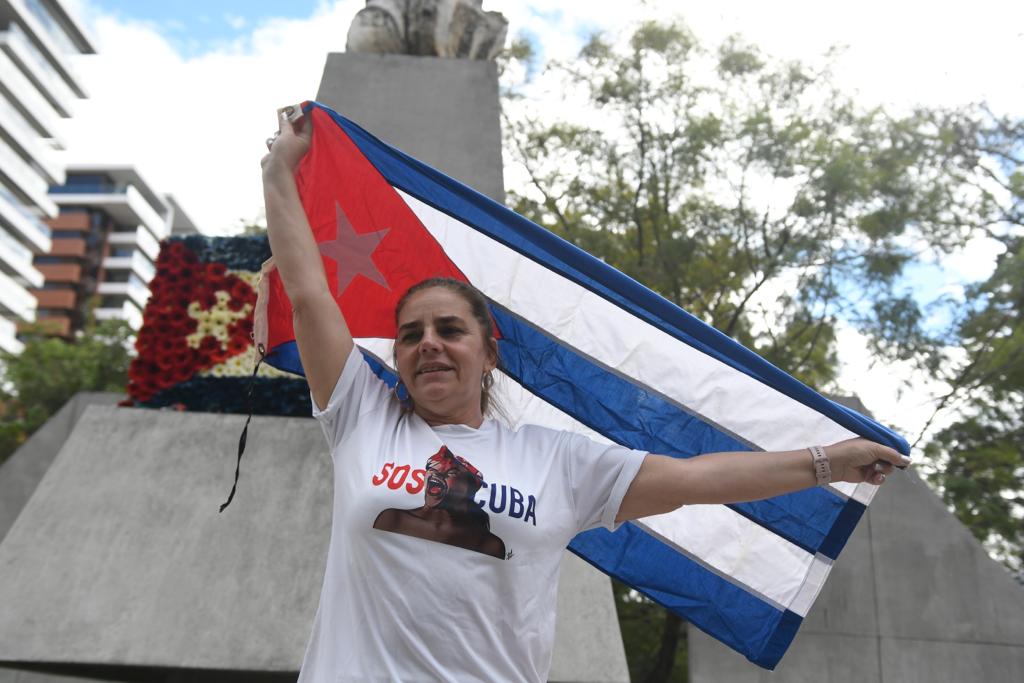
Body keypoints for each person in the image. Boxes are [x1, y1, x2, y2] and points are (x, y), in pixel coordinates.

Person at [262, 107, 910, 682]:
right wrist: (279, 174)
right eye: (411, 335)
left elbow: (696, 478)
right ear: (396, 358)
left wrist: (826, 461)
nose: (428, 342)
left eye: (450, 329)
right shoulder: (361, 416)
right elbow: (311, 291)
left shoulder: (559, 463)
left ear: (488, 352)